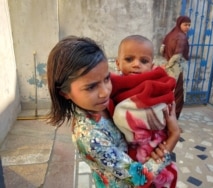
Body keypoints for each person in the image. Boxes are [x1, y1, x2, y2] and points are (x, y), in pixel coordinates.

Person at [47, 35, 176, 188]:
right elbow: (138, 178)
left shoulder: (101, 103)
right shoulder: (90, 137)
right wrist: (172, 138)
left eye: (107, 78)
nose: (105, 92)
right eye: (91, 87)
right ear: (65, 93)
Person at [111, 35, 180, 188]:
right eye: (129, 59)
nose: (136, 64)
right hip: (130, 158)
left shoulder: (155, 84)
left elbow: (165, 105)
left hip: (156, 150)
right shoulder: (111, 88)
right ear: (117, 63)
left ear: (152, 65)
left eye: (144, 61)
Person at [160, 16, 191, 120]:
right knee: (178, 97)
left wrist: (166, 63)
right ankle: (173, 121)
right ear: (180, 24)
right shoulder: (182, 37)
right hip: (178, 70)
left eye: (189, 25)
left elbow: (162, 49)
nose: (188, 27)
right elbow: (177, 55)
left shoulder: (170, 35)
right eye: (185, 24)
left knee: (168, 94)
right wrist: (168, 65)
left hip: (169, 71)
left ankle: (164, 119)